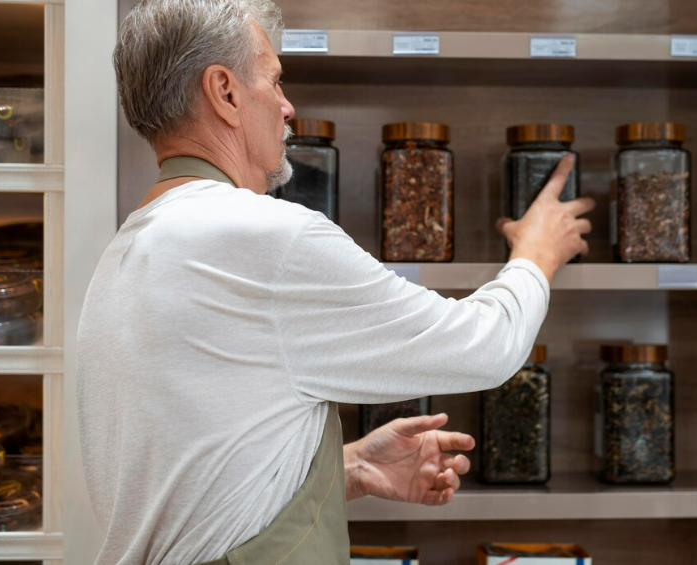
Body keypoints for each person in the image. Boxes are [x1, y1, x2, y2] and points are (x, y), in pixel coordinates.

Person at [76, 0, 594, 564]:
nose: (287, 106)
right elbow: (487, 347)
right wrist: (537, 250)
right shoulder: (262, 238)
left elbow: (186, 479)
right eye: (274, 82)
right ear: (225, 92)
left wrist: (348, 467)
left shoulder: (127, 250)